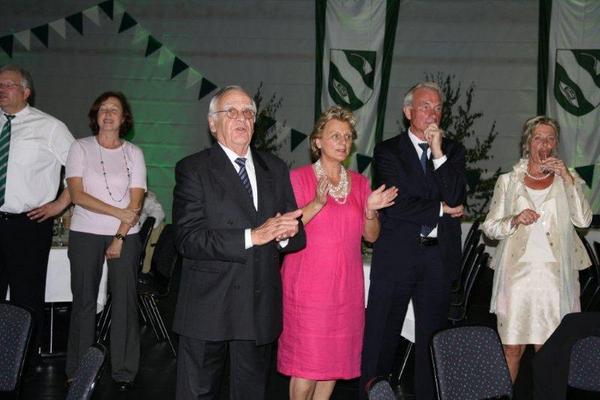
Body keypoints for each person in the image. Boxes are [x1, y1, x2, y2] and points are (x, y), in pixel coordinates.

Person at [172, 85, 306, 400]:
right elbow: (188, 239)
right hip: (209, 304)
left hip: (258, 306)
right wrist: (252, 236)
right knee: (197, 393)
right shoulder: (194, 168)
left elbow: (297, 232)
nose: (241, 118)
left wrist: (284, 235)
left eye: (248, 112)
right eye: (231, 112)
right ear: (212, 123)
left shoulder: (274, 168)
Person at [277, 107, 398, 400]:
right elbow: (285, 230)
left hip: (346, 290)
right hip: (308, 289)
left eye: (347, 136)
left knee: (333, 364)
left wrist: (370, 211)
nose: (343, 142)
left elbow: (371, 236)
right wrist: (317, 203)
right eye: (335, 136)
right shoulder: (298, 179)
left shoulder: (360, 183)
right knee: (306, 366)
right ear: (317, 141)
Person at [360, 82, 466, 400]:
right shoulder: (388, 151)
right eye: (425, 106)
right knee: (381, 337)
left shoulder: (453, 151)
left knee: (432, 343)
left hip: (437, 258)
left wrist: (438, 153)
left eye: (438, 107)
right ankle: (373, 394)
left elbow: (456, 196)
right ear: (408, 111)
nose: (433, 113)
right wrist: (440, 208)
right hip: (396, 256)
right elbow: (394, 205)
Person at [482, 115, 592, 383]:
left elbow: (583, 221)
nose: (545, 144)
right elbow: (490, 228)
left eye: (550, 138)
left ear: (556, 144)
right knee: (511, 348)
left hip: (555, 278)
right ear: (528, 143)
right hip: (515, 277)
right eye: (539, 138)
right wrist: (514, 220)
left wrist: (568, 178)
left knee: (549, 350)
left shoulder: (568, 178)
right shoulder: (509, 181)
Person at [65, 91, 146, 392]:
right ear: (95, 115)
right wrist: (117, 211)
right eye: (103, 109)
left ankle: (124, 370)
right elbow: (77, 195)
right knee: (83, 302)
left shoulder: (134, 153)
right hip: (85, 233)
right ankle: (78, 370)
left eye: (114, 109)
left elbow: (136, 202)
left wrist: (120, 236)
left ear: (124, 118)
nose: (108, 114)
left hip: (126, 235)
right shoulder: (79, 147)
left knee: (124, 301)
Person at [0, 64, 75, 358]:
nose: (2, 89)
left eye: (8, 84)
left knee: (26, 300)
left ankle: (22, 365)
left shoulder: (50, 127)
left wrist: (61, 203)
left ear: (26, 92)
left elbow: (79, 169)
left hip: (27, 225)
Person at [139, 190, 166, 273]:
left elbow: (159, 212)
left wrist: (145, 228)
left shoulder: (143, 196)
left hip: (123, 238)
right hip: (117, 236)